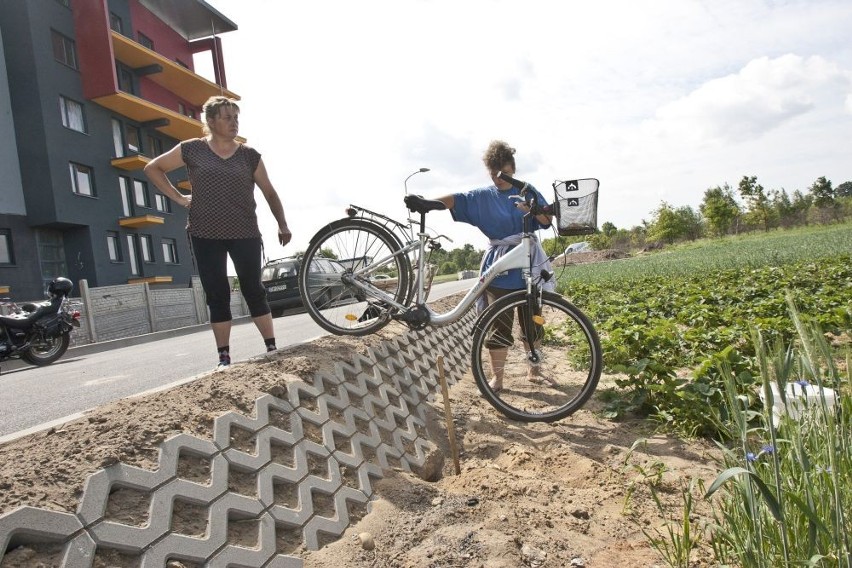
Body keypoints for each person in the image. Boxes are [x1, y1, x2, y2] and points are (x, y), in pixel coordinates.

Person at [144, 95, 291, 370]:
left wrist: (282, 224)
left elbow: (269, 192)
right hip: (204, 233)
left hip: (245, 231)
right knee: (217, 293)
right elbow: (153, 168)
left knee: (253, 289)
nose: (234, 122)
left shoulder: (249, 155)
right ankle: (224, 356)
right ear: (211, 122)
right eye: (227, 117)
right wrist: (178, 198)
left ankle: (271, 346)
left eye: (236, 117)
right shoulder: (191, 150)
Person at [419, 140, 554, 391]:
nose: (498, 178)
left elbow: (546, 220)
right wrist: (427, 203)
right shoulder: (483, 196)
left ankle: (533, 367)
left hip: (528, 265)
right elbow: (456, 199)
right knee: (498, 325)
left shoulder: (527, 190)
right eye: (493, 173)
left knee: (532, 321)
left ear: (512, 169)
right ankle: (498, 378)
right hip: (500, 270)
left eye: (503, 172)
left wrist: (532, 210)